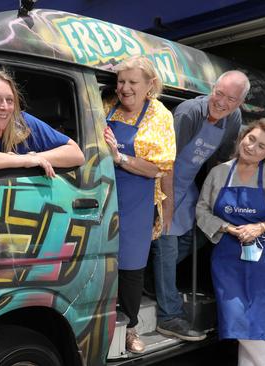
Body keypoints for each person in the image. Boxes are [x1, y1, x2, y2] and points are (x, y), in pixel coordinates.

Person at [151, 70, 250, 341]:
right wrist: (167, 206)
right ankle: (169, 315)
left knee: (206, 233)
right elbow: (165, 160)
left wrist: (222, 199)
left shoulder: (234, 118)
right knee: (167, 243)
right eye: (218, 93)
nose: (221, 102)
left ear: (240, 102)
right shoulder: (188, 113)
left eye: (230, 98)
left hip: (189, 185)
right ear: (212, 89)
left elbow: (220, 160)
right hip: (162, 182)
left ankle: (156, 277)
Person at [196, 118, 265, 366]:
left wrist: (260, 226)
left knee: (254, 322)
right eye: (251, 139)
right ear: (243, 137)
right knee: (236, 317)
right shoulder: (219, 173)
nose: (252, 147)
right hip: (227, 258)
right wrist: (227, 227)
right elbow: (202, 211)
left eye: (261, 146)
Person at [103, 56, 176, 353]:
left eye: (133, 82)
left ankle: (130, 328)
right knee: (101, 264)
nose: (125, 88)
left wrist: (119, 157)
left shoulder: (158, 116)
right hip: (102, 195)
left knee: (131, 268)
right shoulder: (107, 106)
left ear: (150, 85)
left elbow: (158, 168)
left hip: (136, 200)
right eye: (121, 81)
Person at [0, 70, 84, 176]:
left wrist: (37, 158)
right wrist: (23, 160)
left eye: (9, 100)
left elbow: (76, 154)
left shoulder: (22, 123)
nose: (4, 107)